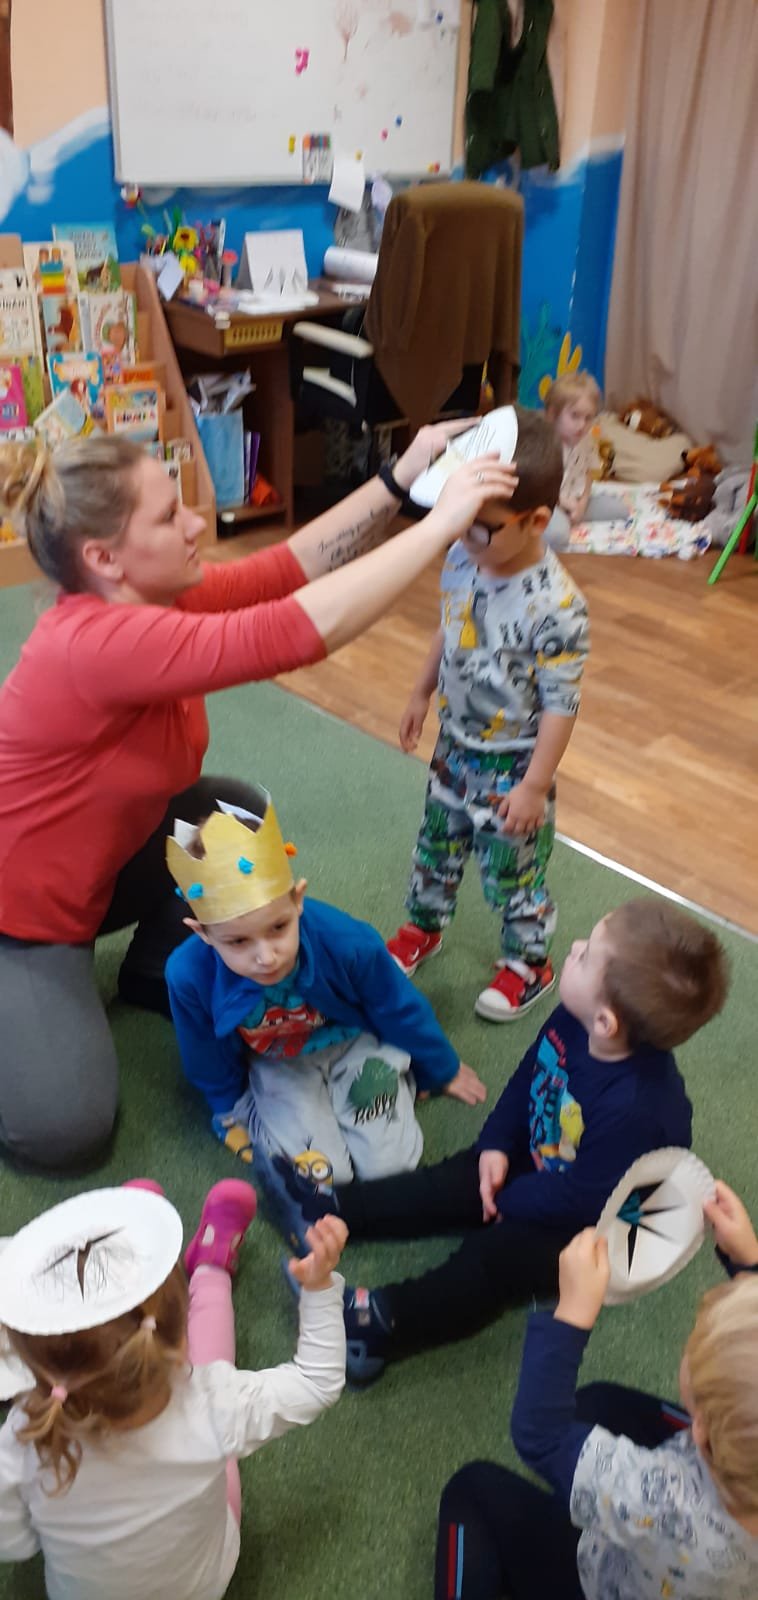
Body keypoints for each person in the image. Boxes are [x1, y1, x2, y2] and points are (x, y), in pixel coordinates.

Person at [0, 427, 516, 1170]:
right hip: (26, 916)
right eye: (168, 516)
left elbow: (285, 570)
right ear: (104, 559)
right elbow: (296, 632)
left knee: (226, 812)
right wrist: (439, 526)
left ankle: (152, 968)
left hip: (101, 865)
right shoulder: (92, 643)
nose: (195, 524)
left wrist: (399, 482)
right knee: (64, 1133)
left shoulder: (156, 596)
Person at [266, 899, 728, 1383]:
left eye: (587, 954)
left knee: (495, 1260)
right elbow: (531, 1076)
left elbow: (587, 1198)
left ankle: (378, 1326)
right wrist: (496, 1144)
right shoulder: (574, 1019)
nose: (573, 946)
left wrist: (507, 1200)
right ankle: (329, 1209)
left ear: (606, 1023)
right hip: (543, 1160)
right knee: (450, 1181)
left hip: (589, 1225)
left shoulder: (638, 1110)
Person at [0, 1178, 347, 1600]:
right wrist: (319, 1287)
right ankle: (211, 1265)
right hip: (204, 1585)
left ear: (32, 1366)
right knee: (218, 1397)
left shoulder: (24, 1438)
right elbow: (316, 1381)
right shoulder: (213, 1404)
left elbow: (15, 1542)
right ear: (180, 1337)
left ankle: (135, 1239)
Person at [434, 1181, 758, 1600]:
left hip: (605, 1580)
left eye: (694, 1351)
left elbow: (540, 1437)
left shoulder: (666, 1503)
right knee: (598, 1403)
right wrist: (749, 1269)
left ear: (703, 1431)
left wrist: (571, 1316)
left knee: (472, 1490)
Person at [387, 405, 590, 1021]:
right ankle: (423, 927)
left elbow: (560, 703)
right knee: (436, 846)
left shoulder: (557, 606)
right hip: (453, 746)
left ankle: (530, 962)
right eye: (458, 523)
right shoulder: (462, 558)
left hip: (512, 768)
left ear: (536, 521)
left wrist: (534, 786)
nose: (464, 539)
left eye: (483, 528)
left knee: (511, 872)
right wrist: (421, 691)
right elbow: (449, 625)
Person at [165, 788, 485, 1178]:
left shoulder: (348, 943)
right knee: (324, 1173)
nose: (266, 956)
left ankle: (396, 1074)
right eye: (238, 942)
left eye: (278, 927)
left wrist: (442, 1067)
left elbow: (398, 1005)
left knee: (391, 1166)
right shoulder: (187, 974)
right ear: (202, 934)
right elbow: (203, 1049)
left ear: (297, 900)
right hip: (278, 1062)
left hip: (355, 1042)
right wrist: (229, 1107)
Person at [543, 372, 626, 550]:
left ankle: (573, 515)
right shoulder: (545, 443)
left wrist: (582, 503)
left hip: (575, 498)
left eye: (588, 418)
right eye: (575, 416)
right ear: (552, 414)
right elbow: (539, 485)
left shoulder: (586, 441)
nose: (582, 425)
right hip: (547, 502)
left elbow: (587, 474)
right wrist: (564, 503)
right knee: (557, 535)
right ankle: (561, 519)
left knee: (620, 510)